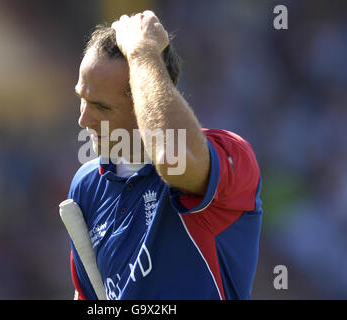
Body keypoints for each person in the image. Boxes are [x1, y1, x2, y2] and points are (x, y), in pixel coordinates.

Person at [67, 10, 263, 300]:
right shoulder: (86, 185)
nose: (84, 119)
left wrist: (143, 53)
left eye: (102, 107)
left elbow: (172, 158)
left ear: (145, 104)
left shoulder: (230, 153)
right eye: (82, 99)